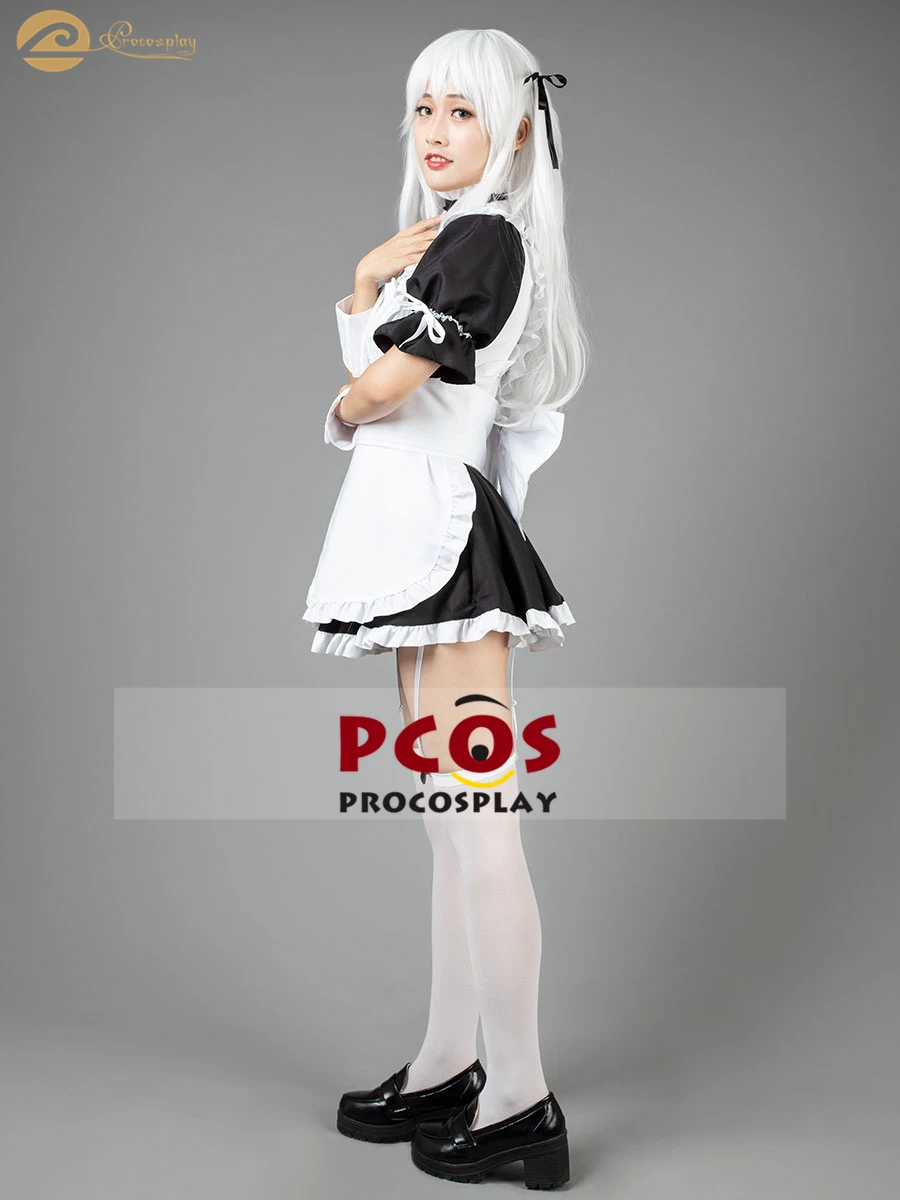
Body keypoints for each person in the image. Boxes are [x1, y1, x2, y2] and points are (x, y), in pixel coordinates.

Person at [303, 28, 588, 1189]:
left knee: (479, 825)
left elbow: (382, 392)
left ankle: (521, 1096)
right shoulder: (463, 236)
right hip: (415, 538)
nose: (434, 130)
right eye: (423, 107)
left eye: (461, 110)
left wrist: (360, 322)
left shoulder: (481, 238)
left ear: (513, 130)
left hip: (440, 543)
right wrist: (366, 290)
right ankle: (447, 1063)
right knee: (447, 824)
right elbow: (388, 379)